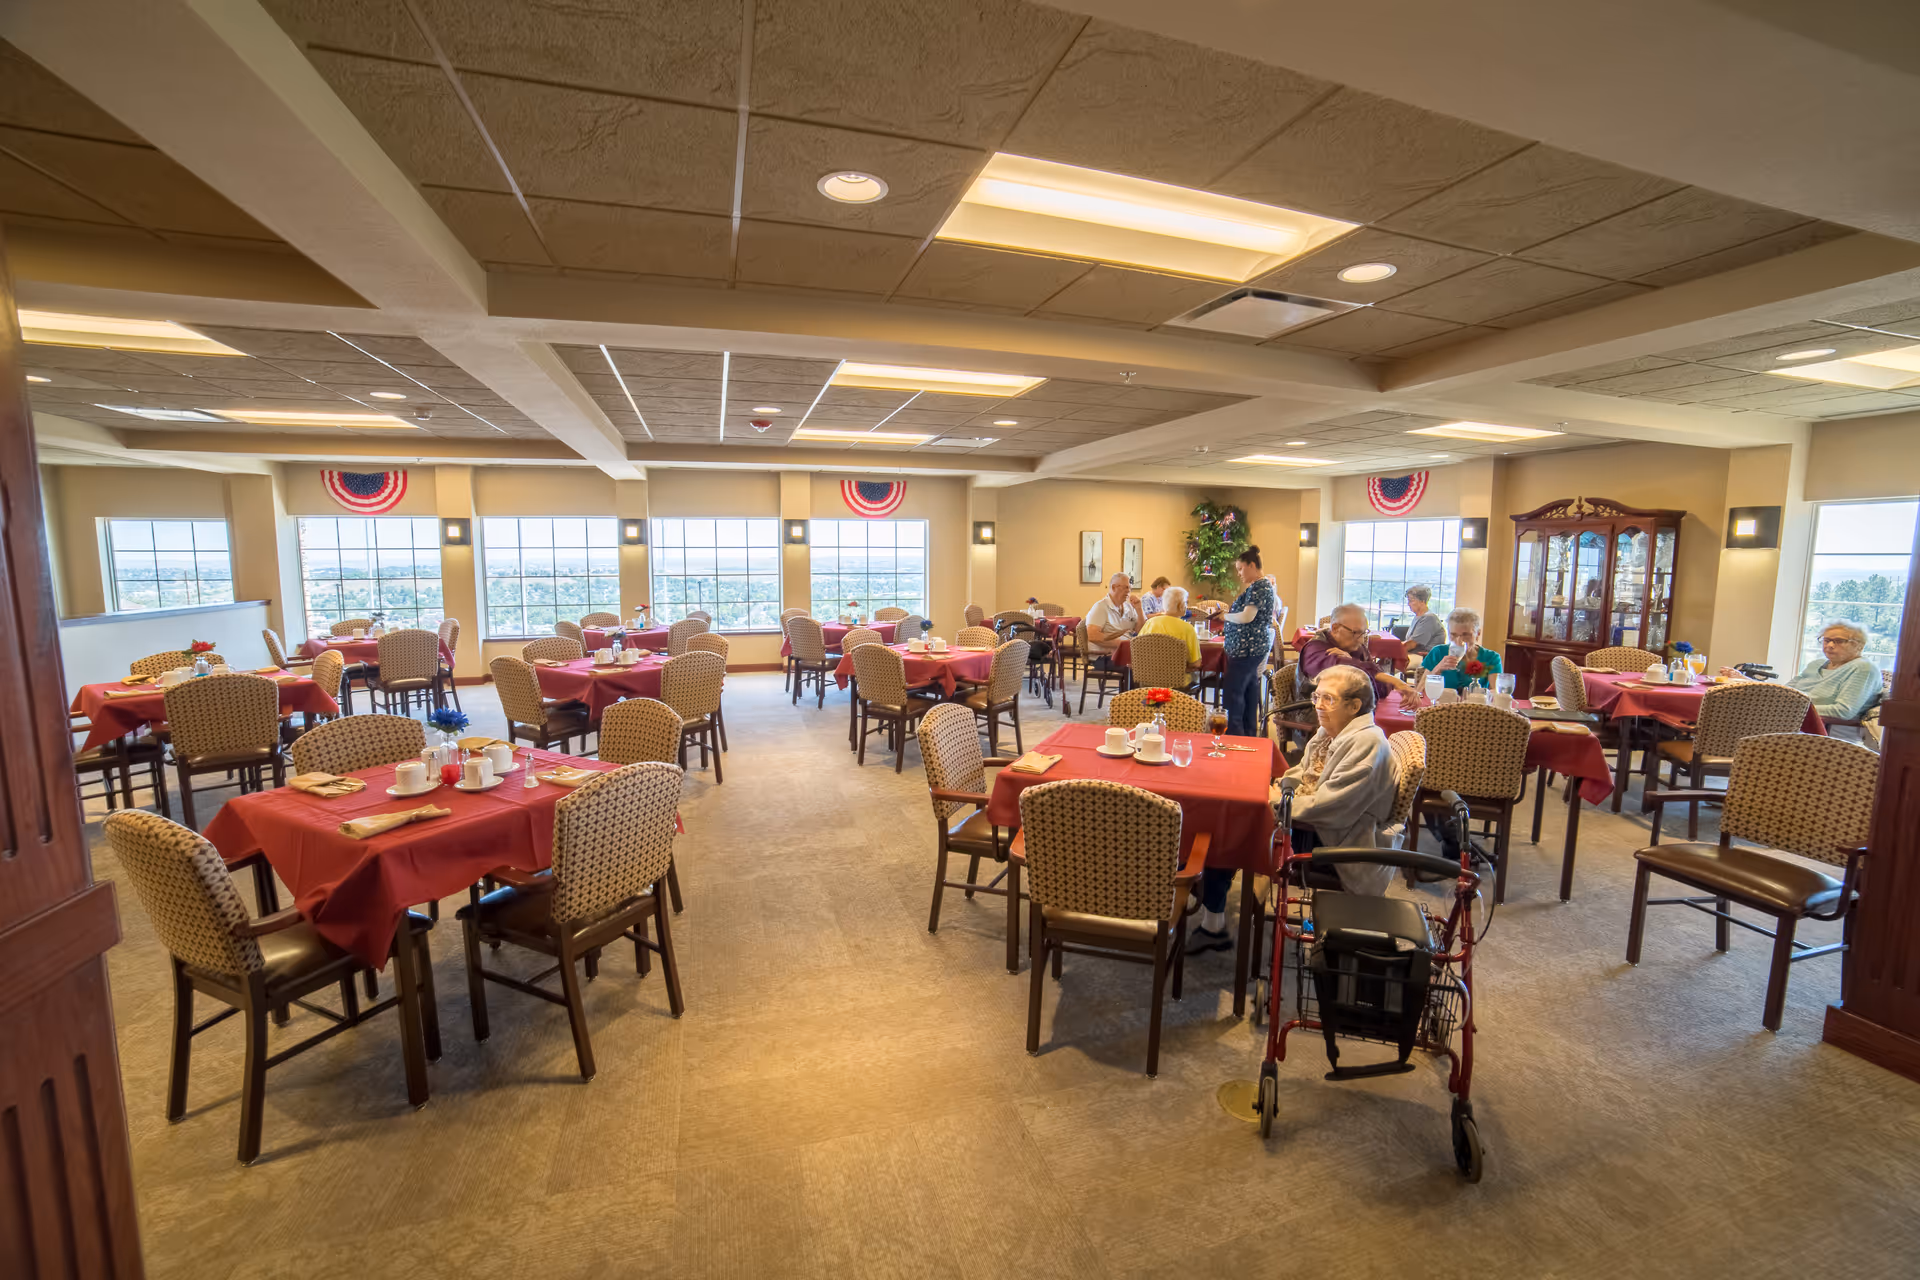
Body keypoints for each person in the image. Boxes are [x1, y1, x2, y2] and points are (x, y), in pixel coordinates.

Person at [1192, 666, 1394, 949]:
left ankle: (1208, 918)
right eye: (1317, 697)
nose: (1318, 706)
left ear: (1354, 706)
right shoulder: (1336, 729)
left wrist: (1274, 801)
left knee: (1224, 826)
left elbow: (1330, 808)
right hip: (1322, 825)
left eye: (1328, 699)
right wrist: (1276, 783)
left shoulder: (1366, 745)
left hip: (1334, 845)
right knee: (1225, 811)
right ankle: (1200, 893)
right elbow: (1306, 770)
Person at [1720, 621, 1881, 721]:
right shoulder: (1816, 664)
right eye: (1826, 640)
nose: (1830, 645)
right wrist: (1745, 680)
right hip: (1792, 720)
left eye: (1839, 641)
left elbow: (1843, 711)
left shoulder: (1863, 668)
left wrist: (1789, 708)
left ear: (1859, 645)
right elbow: (1786, 692)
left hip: (1820, 732)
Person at [1299, 603, 1418, 704]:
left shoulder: (1355, 647)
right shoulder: (1314, 649)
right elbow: (1337, 668)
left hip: (1352, 714)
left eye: (1364, 633)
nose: (1361, 640)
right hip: (1315, 716)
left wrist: (1351, 661)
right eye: (1355, 632)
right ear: (1335, 628)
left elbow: (1380, 689)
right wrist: (1395, 681)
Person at [1219, 547, 1277, 737]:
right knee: (1249, 693)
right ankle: (1249, 734)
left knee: (1235, 694)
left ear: (1252, 565)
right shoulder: (1261, 586)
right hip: (1250, 648)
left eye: (1241, 569)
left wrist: (1225, 617)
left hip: (1247, 649)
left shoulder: (1260, 586)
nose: (1239, 574)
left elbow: (1247, 617)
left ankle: (1235, 734)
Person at [1421, 607, 1502, 691]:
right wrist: (1437, 669)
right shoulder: (1438, 652)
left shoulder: (1491, 657)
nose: (1459, 641)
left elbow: (1496, 692)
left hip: (1474, 703)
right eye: (1453, 635)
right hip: (1443, 703)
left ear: (1478, 634)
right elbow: (1419, 692)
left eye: (1466, 635)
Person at [1084, 572, 1140, 667]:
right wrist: (1121, 645)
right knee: (1140, 666)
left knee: (1148, 663)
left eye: (1130, 588)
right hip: (1103, 657)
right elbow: (1093, 636)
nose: (1129, 591)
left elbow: (1140, 631)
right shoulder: (1100, 607)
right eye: (1125, 587)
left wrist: (1139, 609)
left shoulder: (1128, 607)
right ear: (1114, 587)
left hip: (1124, 653)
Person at [1139, 585, 1200, 665]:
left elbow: (1138, 652)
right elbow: (1196, 663)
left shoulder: (1149, 623)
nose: (1186, 606)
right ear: (1181, 605)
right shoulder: (1188, 629)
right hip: (1178, 676)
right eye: (1186, 602)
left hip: (1148, 676)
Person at [1402, 585, 1445, 660]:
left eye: (1411, 601)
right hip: (1415, 655)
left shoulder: (1429, 618)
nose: (1409, 604)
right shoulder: (1418, 617)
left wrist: (1391, 651)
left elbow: (1411, 644)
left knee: (1388, 666)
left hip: (1425, 658)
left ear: (1422, 601)